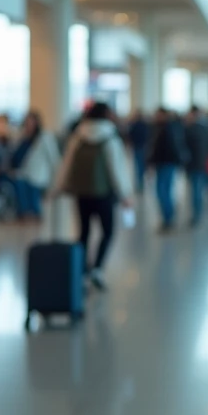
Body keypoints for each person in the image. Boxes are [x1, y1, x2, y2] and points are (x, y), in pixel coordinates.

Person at [51, 102, 133, 290]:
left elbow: (67, 164)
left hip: (82, 193)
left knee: (83, 233)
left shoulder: (78, 136)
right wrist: (125, 194)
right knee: (108, 231)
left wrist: (59, 187)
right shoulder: (110, 137)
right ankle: (97, 268)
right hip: (104, 194)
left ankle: (82, 272)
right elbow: (117, 169)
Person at [11, 110, 61, 222]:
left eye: (31, 122)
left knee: (31, 186)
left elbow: (54, 158)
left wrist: (56, 180)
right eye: (27, 122)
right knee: (20, 184)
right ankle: (24, 213)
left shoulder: (45, 137)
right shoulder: (23, 138)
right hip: (23, 173)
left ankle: (33, 213)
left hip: (38, 175)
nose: (29, 125)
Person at [149, 108, 188, 231]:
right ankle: (168, 217)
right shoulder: (161, 128)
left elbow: (170, 148)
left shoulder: (168, 129)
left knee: (163, 192)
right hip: (163, 164)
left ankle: (168, 218)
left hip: (167, 163)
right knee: (163, 191)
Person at [184, 106, 208, 225]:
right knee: (198, 189)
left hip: (195, 164)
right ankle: (198, 213)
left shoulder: (192, 129)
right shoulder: (206, 128)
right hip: (201, 163)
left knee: (196, 190)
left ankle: (197, 214)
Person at [127, 113, 151, 193]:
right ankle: (141, 183)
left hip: (138, 147)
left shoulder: (135, 125)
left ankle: (140, 183)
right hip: (143, 147)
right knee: (141, 165)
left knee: (138, 166)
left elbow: (130, 135)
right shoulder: (145, 125)